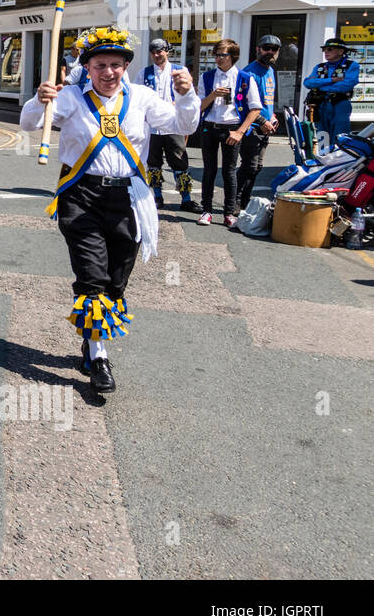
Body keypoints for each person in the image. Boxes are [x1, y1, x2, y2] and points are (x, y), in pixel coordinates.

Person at [22, 27, 199, 393]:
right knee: (92, 278)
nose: (108, 72)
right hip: (81, 198)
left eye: (115, 64)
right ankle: (100, 357)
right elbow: (30, 124)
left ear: (125, 66)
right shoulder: (69, 97)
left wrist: (187, 96)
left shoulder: (143, 99)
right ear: (86, 66)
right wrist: (39, 101)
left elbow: (185, 125)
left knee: (116, 283)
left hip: (130, 200)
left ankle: (90, 340)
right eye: (100, 64)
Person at [195, 39, 261, 228]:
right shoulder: (207, 77)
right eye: (215, 55)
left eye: (221, 55)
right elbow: (199, 106)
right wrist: (212, 95)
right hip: (209, 126)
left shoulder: (245, 77)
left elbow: (255, 108)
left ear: (232, 56)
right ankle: (206, 210)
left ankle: (229, 213)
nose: (217, 59)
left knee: (229, 172)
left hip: (232, 128)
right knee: (209, 170)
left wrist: (240, 132)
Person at [140, 38, 195, 211]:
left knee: (180, 163)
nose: (157, 54)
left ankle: (186, 199)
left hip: (174, 125)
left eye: (160, 51)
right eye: (153, 52)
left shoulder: (180, 70)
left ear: (167, 51)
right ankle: (157, 197)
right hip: (152, 127)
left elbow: (188, 93)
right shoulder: (144, 73)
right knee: (154, 163)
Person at [235, 35, 281, 215]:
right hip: (251, 128)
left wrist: (273, 115)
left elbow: (266, 100)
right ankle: (236, 202)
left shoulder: (269, 70)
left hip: (265, 127)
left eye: (274, 49)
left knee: (256, 167)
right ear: (258, 49)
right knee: (249, 166)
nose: (270, 51)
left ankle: (245, 202)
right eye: (266, 47)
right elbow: (243, 104)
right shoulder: (250, 72)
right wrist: (263, 121)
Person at [303, 37, 359, 151]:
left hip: (340, 104)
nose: (326, 52)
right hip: (320, 105)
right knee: (322, 134)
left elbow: (346, 85)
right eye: (324, 49)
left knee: (340, 135)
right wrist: (332, 80)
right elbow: (308, 83)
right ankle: (324, 159)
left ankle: (339, 161)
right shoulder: (320, 67)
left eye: (330, 49)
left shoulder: (352, 66)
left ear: (340, 51)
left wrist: (319, 85)